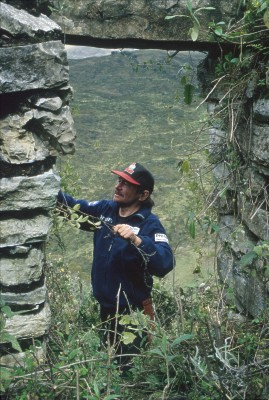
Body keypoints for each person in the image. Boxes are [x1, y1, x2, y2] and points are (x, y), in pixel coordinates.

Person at [57, 162, 174, 367]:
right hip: (106, 309)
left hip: (134, 314)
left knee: (131, 368)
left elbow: (165, 262)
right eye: (119, 180)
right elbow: (71, 208)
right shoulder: (105, 210)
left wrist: (138, 241)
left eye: (126, 183)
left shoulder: (149, 224)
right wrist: (45, 187)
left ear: (143, 195)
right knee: (108, 365)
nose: (118, 186)